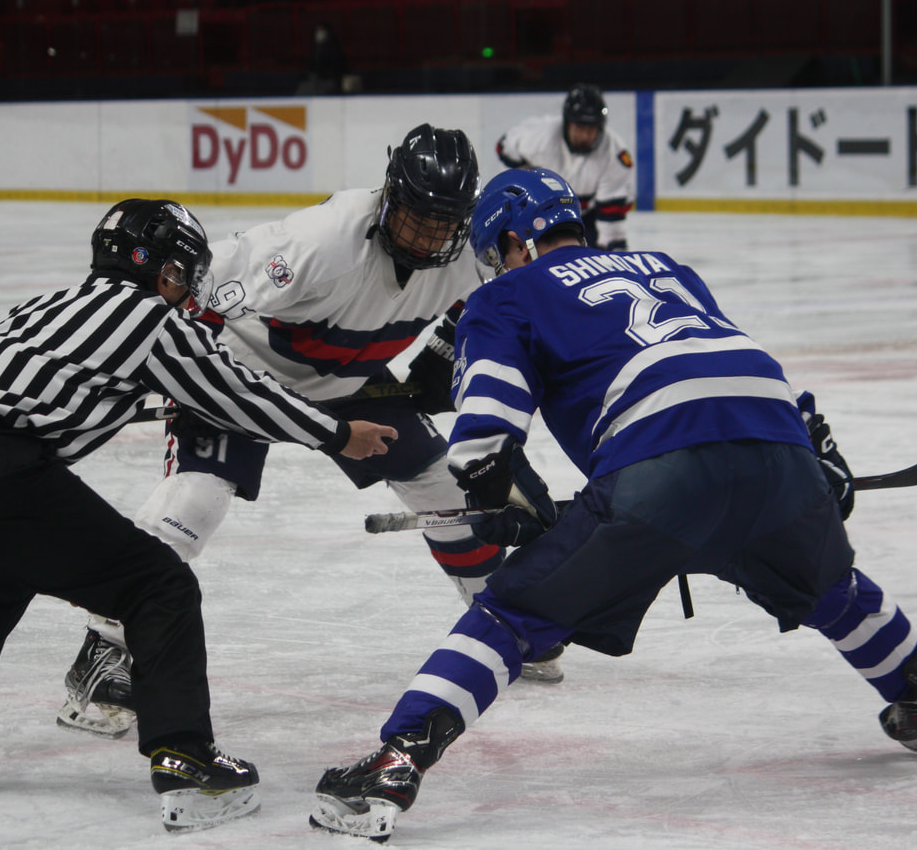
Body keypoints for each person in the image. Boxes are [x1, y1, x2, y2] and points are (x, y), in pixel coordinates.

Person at [309, 169, 917, 841]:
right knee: (833, 587)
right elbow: (723, 353)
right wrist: (813, 457)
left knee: (514, 613)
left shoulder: (509, 293)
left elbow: (484, 432)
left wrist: (504, 496)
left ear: (513, 241)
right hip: (778, 444)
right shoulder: (666, 268)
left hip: (659, 470)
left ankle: (395, 765)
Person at [0, 198, 397, 834]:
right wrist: (337, 433)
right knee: (158, 583)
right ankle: (185, 755)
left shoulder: (46, 305)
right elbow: (240, 393)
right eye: (181, 273)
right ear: (159, 268)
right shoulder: (150, 319)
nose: (182, 289)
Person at [54, 124, 567, 744]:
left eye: (445, 222)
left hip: (349, 382)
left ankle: (505, 619)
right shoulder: (321, 242)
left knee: (448, 486)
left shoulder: (464, 253)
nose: (429, 236)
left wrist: (440, 359)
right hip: (243, 376)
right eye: (416, 218)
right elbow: (197, 285)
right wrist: (177, 370)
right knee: (196, 502)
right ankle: (102, 653)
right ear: (389, 197)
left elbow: (476, 315)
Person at [495, 83, 635, 251]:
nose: (585, 136)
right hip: (535, 210)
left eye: (591, 129)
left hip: (582, 216)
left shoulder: (614, 154)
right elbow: (504, 148)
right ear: (567, 123)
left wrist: (614, 256)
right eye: (579, 127)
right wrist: (527, 179)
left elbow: (612, 218)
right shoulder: (539, 138)